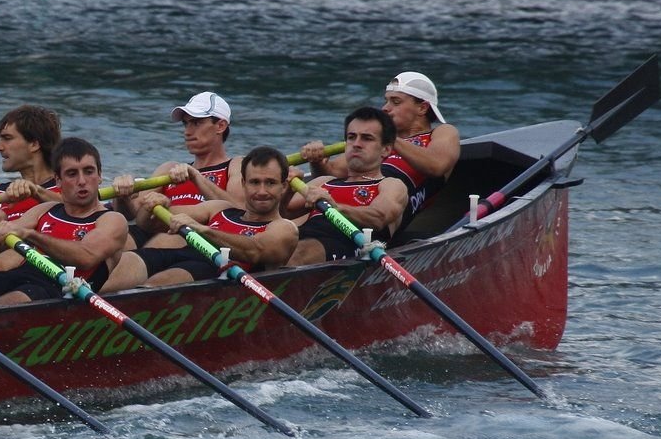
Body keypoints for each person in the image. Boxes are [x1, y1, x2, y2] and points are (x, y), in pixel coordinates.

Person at [0, 138, 140, 305]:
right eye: (72, 174)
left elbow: (86, 257)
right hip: (20, 276)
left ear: (100, 176)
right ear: (58, 180)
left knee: (13, 299)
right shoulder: (45, 210)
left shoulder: (112, 220)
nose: (82, 181)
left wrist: (31, 235)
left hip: (63, 289)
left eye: (89, 171)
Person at [111, 91, 247, 282]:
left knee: (168, 239)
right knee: (116, 239)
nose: (187, 131)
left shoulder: (235, 165)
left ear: (221, 125)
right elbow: (132, 213)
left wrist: (197, 177)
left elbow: (238, 212)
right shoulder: (169, 169)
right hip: (151, 230)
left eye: (196, 123)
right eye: (186, 123)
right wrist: (122, 195)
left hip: (194, 238)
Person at [300, 70, 459, 224]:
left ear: (422, 108)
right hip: (340, 198)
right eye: (386, 100)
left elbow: (437, 165)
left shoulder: (442, 132)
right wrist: (317, 161)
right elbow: (332, 173)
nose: (385, 108)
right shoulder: (375, 140)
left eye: (395, 102)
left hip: (376, 213)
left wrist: (386, 135)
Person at [149, 147, 298, 284]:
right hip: (182, 256)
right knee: (133, 260)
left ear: (283, 186)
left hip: (217, 272)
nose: (262, 191)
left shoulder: (284, 228)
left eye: (270, 183)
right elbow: (150, 223)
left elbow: (254, 251)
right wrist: (155, 203)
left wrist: (203, 230)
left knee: (163, 280)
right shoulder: (220, 208)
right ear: (244, 184)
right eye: (255, 182)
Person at [287, 107, 409, 266]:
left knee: (303, 251)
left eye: (367, 138)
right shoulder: (324, 181)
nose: (357, 144)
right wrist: (284, 187)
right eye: (352, 137)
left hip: (351, 245)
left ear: (385, 149)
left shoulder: (390, 184)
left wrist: (335, 207)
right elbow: (285, 212)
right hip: (303, 241)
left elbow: (379, 217)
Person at [0, 105, 61, 223]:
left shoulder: (72, 190)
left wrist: (35, 191)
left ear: (34, 144)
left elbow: (76, 208)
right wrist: (4, 198)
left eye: (7, 138)